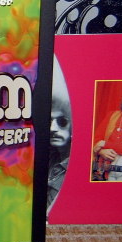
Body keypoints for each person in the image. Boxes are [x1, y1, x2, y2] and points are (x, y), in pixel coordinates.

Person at [47, 57, 72, 214]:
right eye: (49, 121)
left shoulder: (75, 166)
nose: (52, 129)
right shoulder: (47, 157)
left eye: (62, 122)